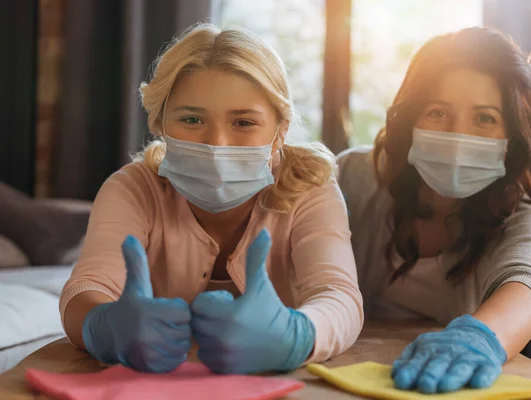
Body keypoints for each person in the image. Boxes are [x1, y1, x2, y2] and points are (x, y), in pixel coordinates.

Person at [60, 23, 363, 374]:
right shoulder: (133, 189)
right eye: (191, 119)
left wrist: (297, 336)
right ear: (160, 124)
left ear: (279, 132)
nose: (216, 142)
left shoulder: (310, 188)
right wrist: (106, 326)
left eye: (244, 122)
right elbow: (86, 289)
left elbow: (338, 295)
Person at [337, 27, 531, 394]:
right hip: (345, 366)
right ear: (411, 120)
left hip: (444, 386)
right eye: (438, 112)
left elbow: (528, 284)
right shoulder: (355, 176)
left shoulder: (521, 212)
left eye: (485, 118)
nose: (459, 136)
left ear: (513, 138)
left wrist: (480, 338)